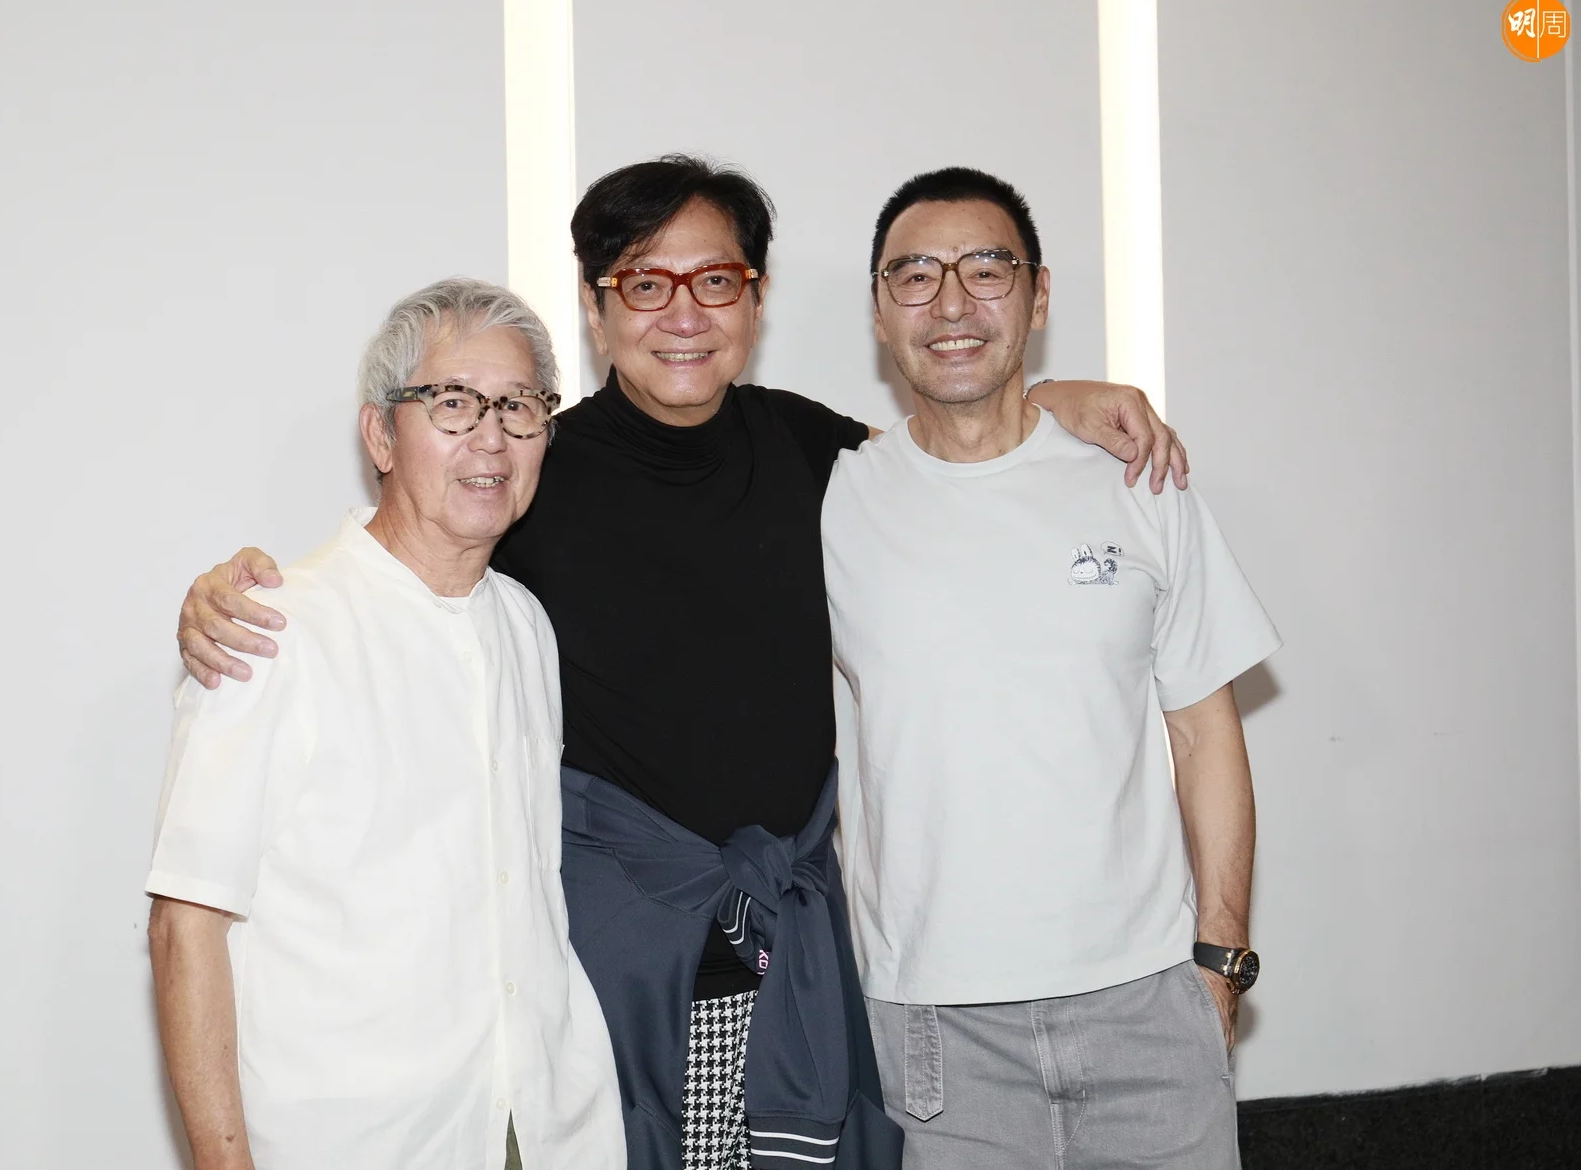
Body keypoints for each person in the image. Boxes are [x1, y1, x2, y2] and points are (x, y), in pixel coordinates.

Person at [173, 156, 1187, 1170]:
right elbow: (404, 564)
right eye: (645, 284)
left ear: (756, 298)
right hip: (613, 972)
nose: (684, 314)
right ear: (596, 307)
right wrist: (228, 594)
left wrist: (1055, 399)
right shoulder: (529, 472)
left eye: (716, 280)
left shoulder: (810, 448)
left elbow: (956, 455)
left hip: (794, 935)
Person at [825, 167, 1279, 1170]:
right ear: (879, 310)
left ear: (1038, 297)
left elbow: (1206, 731)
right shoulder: (832, 499)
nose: (952, 303)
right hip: (937, 1027)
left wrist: (1220, 962)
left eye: (987, 269)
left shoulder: (1138, 480)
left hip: (1149, 1008)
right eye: (916, 275)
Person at [145, 279, 624, 1170]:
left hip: (543, 1123)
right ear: (380, 436)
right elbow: (186, 922)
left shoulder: (526, 624)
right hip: (356, 1140)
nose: (491, 437)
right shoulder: (272, 629)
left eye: (519, 406)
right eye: (453, 403)